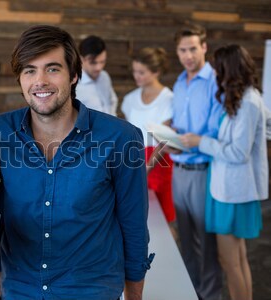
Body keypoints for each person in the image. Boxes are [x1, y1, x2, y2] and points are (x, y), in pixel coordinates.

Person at [0, 25, 152, 299]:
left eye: (52, 69)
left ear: (74, 75)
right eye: (29, 70)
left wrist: (134, 296)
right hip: (20, 289)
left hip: (92, 289)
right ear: (20, 79)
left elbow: (133, 227)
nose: (40, 81)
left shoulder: (121, 138)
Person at [180, 44, 268, 300]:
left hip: (234, 191)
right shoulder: (241, 98)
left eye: (218, 69)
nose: (215, 74)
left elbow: (238, 153)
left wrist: (200, 142)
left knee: (231, 261)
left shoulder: (249, 102)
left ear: (228, 69)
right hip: (224, 188)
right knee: (236, 259)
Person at [168, 24, 224, 300]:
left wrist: (194, 139)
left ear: (204, 47)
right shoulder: (179, 82)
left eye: (193, 48)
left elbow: (216, 132)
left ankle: (210, 295)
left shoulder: (216, 82)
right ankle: (191, 293)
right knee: (187, 240)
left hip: (204, 170)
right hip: (178, 170)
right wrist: (170, 128)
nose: (188, 55)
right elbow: (181, 124)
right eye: (182, 50)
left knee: (206, 241)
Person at [121, 47, 176, 228]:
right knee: (137, 219)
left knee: (163, 221)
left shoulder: (169, 99)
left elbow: (164, 141)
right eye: (135, 71)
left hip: (159, 163)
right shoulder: (130, 99)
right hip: (135, 161)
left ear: (156, 72)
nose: (136, 76)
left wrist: (145, 171)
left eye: (142, 72)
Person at [75, 35, 119, 115]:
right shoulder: (74, 84)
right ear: (81, 59)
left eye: (102, 62)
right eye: (93, 62)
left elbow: (112, 101)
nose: (99, 67)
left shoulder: (104, 76)